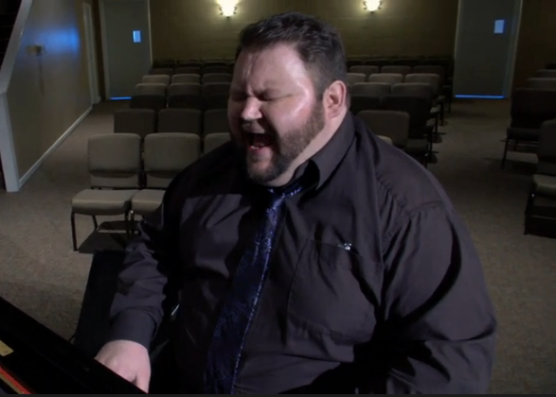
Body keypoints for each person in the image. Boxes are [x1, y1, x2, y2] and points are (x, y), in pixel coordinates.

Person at [95, 11, 497, 394]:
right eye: (238, 95)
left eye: (269, 97)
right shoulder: (206, 177)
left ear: (334, 100)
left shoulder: (407, 209)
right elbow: (154, 248)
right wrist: (131, 333)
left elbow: (451, 363)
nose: (247, 112)